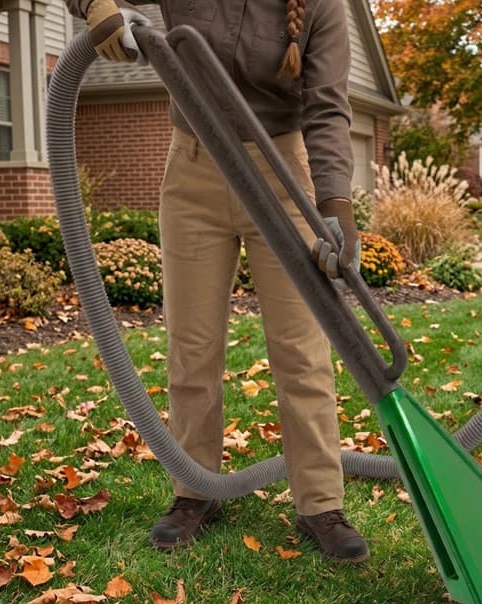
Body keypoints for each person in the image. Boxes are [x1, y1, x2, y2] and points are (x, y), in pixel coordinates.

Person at [66, 0, 369, 562]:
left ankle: (321, 504)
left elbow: (327, 106)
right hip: (194, 172)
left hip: (281, 175)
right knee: (193, 345)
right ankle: (195, 491)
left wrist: (335, 203)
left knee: (301, 350)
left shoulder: (322, 6)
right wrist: (96, 5)